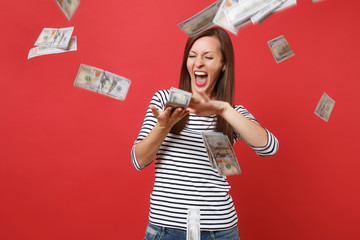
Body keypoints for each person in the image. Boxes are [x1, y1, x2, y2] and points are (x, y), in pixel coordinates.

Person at [131, 27, 279, 240]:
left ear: (223, 65)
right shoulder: (164, 101)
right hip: (166, 230)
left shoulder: (232, 113)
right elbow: (139, 161)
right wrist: (163, 127)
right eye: (192, 56)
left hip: (221, 232)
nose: (198, 62)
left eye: (208, 57)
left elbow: (269, 147)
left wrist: (223, 109)